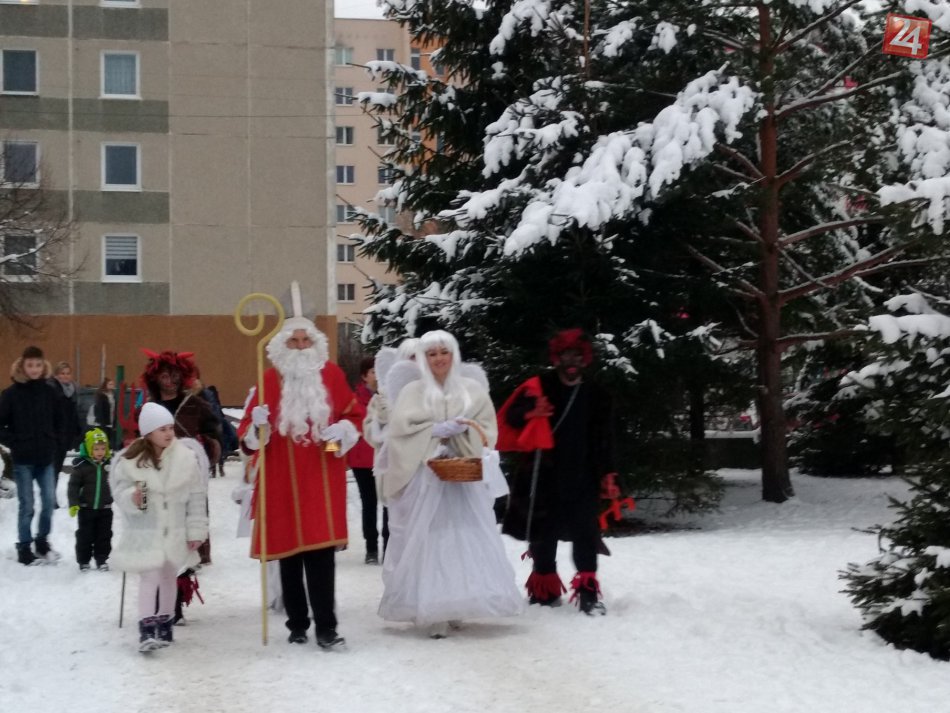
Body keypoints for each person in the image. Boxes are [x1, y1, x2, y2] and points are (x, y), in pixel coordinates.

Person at [237, 283, 365, 649]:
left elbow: (354, 416)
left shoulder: (332, 376)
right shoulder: (267, 380)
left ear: (315, 343)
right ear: (282, 345)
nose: (300, 347)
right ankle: (296, 623)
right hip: (280, 479)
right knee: (288, 557)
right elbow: (248, 438)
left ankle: (327, 627)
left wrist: (341, 433)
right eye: (293, 342)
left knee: (321, 556)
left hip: (321, 478)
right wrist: (256, 426)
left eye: (305, 340)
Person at [371, 330, 522, 639]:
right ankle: (432, 608)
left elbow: (487, 430)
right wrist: (432, 432)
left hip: (461, 483)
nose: (439, 359)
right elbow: (399, 433)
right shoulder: (412, 391)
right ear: (423, 359)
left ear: (454, 354)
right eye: (432, 354)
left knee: (461, 539)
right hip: (426, 481)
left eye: (444, 352)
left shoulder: (471, 390)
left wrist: (462, 434)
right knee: (429, 540)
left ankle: (458, 602)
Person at [498, 328, 616, 615]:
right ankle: (545, 591)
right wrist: (531, 412)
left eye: (577, 355)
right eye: (565, 355)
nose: (571, 361)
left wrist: (609, 472)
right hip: (543, 474)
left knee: (586, 533)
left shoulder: (597, 394)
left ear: (584, 359)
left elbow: (606, 437)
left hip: (583, 474)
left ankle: (588, 595)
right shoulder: (539, 387)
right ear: (556, 358)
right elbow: (510, 417)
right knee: (542, 534)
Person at [110, 402, 209, 653]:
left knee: (168, 577)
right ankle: (146, 628)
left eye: (170, 428)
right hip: (146, 531)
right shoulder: (131, 461)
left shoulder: (185, 459)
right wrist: (132, 497)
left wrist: (196, 531)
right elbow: (119, 492)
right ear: (148, 432)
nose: (168, 433)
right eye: (162, 429)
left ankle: (165, 624)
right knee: (149, 576)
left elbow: (196, 497)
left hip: (174, 530)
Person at [140, 349, 220, 564]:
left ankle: (198, 553)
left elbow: (215, 435)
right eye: (165, 376)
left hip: (190, 473)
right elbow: (136, 441)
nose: (170, 381)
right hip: (158, 476)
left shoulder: (197, 405)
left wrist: (204, 448)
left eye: (175, 375)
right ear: (155, 378)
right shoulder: (148, 409)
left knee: (194, 511)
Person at [0, 346, 64, 565]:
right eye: (30, 365)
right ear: (22, 366)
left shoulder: (50, 392)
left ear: (43, 366)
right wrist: (15, 441)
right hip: (23, 460)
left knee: (48, 503)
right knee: (27, 506)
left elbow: (60, 419)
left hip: (45, 459)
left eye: (38, 364)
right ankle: (24, 546)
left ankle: (42, 542)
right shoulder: (11, 394)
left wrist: (54, 439)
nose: (34, 369)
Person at [347, 356, 385, 564]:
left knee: (388, 502)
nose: (377, 376)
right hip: (362, 460)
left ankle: (389, 545)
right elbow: (352, 425)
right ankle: (371, 547)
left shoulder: (388, 395)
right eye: (373, 371)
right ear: (364, 376)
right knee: (369, 503)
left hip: (385, 458)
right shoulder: (355, 399)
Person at [67, 428, 114, 571]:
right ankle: (84, 561)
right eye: (96, 449)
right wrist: (73, 504)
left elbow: (118, 483)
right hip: (86, 508)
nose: (100, 452)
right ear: (89, 449)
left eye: (103, 448)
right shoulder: (81, 466)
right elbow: (73, 486)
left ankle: (102, 559)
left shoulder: (110, 465)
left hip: (105, 508)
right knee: (85, 536)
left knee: (104, 536)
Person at [49, 361, 84, 486]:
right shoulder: (52, 389)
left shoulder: (73, 390)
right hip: (53, 435)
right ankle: (50, 493)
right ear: (56, 375)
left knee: (57, 467)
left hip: (65, 435)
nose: (65, 376)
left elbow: (73, 413)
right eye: (62, 373)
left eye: (68, 373)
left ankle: (51, 492)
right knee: (53, 468)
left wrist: (77, 430)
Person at [92, 378, 117, 448]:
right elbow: (100, 410)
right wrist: (102, 424)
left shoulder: (113, 395)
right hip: (102, 422)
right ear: (105, 385)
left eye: (113, 384)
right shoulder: (101, 395)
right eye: (110, 384)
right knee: (102, 441)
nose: (112, 386)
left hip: (111, 421)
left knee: (109, 441)